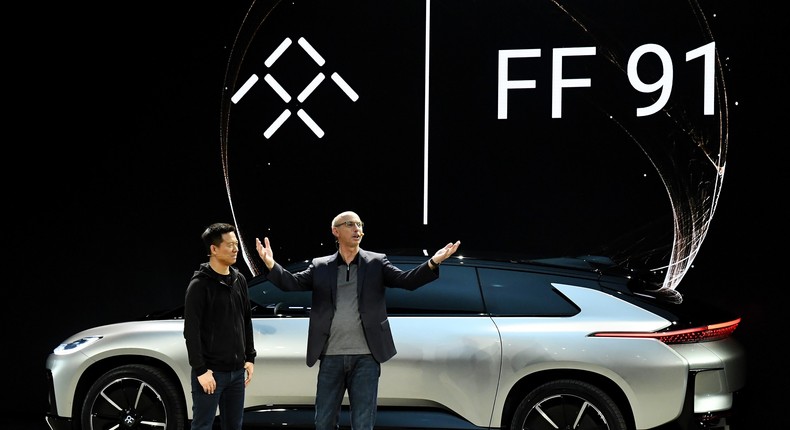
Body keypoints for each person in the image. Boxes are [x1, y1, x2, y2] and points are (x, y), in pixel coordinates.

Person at [255, 210, 460, 430]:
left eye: (360, 225)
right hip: (330, 356)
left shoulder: (376, 262)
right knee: (323, 421)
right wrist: (270, 264)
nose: (357, 230)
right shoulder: (321, 265)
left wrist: (433, 262)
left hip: (366, 357)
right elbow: (291, 284)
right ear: (336, 231)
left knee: (363, 423)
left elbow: (405, 281)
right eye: (350, 224)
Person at [184, 222, 257, 430]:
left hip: (236, 373)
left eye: (236, 244)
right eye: (230, 245)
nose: (236, 249)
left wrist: (249, 357)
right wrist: (201, 370)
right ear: (213, 249)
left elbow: (245, 320)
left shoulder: (239, 280)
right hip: (211, 374)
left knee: (234, 426)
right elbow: (191, 331)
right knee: (202, 425)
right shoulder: (199, 285)